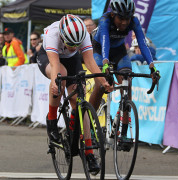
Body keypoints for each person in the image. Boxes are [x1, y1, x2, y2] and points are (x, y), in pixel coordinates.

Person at [36, 14, 111, 172]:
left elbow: (89, 61)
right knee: (60, 77)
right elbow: (55, 65)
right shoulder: (52, 34)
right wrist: (55, 83)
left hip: (72, 60)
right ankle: (51, 121)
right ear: (62, 36)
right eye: (70, 43)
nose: (73, 46)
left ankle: (89, 152)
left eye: (76, 44)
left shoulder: (82, 33)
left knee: (80, 101)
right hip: (50, 58)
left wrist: (103, 81)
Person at [90, 0, 157, 140]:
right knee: (101, 84)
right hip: (100, 49)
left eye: (127, 18)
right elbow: (105, 42)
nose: (125, 23)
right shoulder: (105, 20)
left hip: (119, 51)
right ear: (113, 14)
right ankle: (89, 123)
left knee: (127, 83)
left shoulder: (134, 21)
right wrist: (106, 64)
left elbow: (142, 44)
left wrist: (152, 66)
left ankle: (124, 131)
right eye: (121, 18)